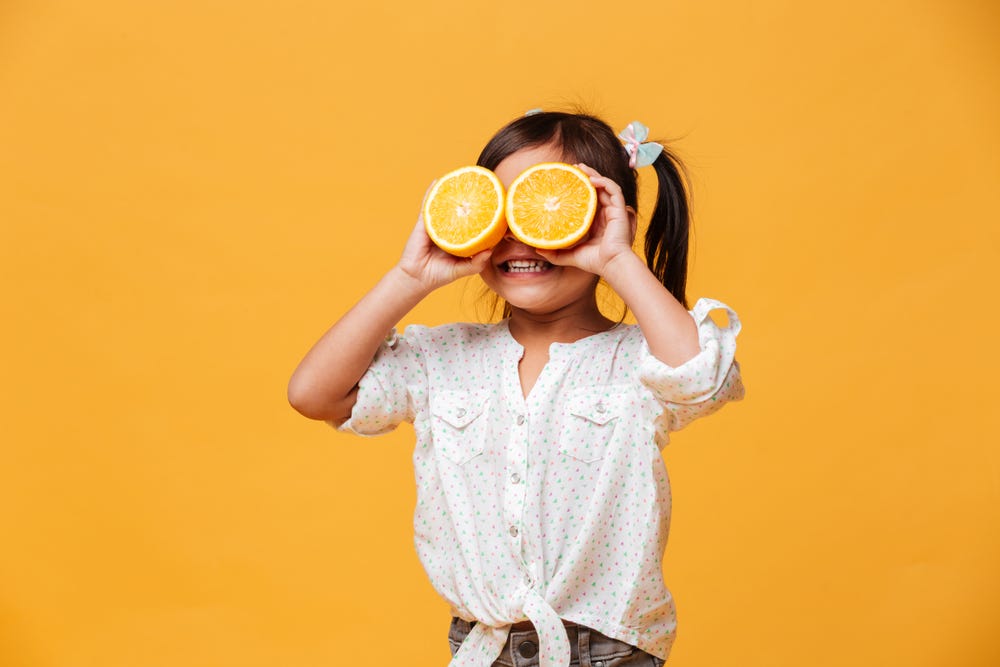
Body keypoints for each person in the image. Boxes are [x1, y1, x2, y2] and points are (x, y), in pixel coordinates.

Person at [288, 111, 745, 667]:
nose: (519, 236)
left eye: (552, 210)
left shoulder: (638, 360)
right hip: (483, 647)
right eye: (500, 213)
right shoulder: (442, 358)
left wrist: (618, 259)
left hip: (611, 650)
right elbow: (313, 394)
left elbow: (702, 380)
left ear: (609, 221)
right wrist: (409, 279)